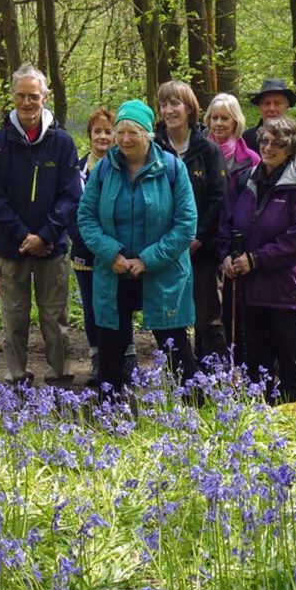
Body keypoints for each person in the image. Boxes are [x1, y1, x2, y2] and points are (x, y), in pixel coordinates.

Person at [76, 99, 200, 394]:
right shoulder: (105, 168)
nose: (125, 140)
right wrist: (111, 253)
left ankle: (196, 410)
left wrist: (146, 260)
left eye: (133, 132)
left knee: (175, 347)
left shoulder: (172, 168)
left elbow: (186, 224)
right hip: (113, 270)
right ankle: (111, 415)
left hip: (162, 271)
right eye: (120, 133)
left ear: (148, 134)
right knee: (110, 352)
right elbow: (86, 217)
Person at [0, 63, 82, 386]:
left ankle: (59, 375)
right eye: (21, 96)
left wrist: (45, 235)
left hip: (51, 248)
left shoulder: (62, 143)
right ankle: (17, 377)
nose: (27, 103)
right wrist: (24, 235)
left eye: (34, 96)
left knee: (55, 317)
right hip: (13, 248)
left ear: (45, 97)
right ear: (13, 97)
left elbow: (71, 196)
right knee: (14, 317)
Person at [219, 116, 296, 401]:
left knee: (292, 361)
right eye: (264, 140)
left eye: (278, 143)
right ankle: (260, 425)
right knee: (256, 363)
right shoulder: (244, 179)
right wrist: (228, 254)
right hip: (249, 289)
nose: (269, 147)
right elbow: (226, 222)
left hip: (286, 289)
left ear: (292, 148)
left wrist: (257, 259)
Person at [154, 81, 229, 363]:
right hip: (164, 250)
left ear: (189, 108)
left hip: (203, 250)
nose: (169, 110)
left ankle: (216, 381)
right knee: (169, 319)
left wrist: (197, 238)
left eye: (175, 103)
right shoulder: (153, 149)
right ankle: (181, 378)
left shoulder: (208, 150)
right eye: (164, 104)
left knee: (207, 319)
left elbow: (218, 199)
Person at [71, 107, 134, 385]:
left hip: (117, 253)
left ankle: (127, 357)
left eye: (109, 131)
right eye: (98, 131)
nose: (103, 137)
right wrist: (87, 242)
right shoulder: (77, 170)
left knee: (121, 303)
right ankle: (98, 358)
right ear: (90, 135)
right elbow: (72, 210)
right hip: (85, 253)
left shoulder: (126, 166)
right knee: (92, 306)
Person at [204, 92, 260, 359]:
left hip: (236, 245)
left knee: (235, 310)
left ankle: (239, 364)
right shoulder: (198, 153)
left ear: (236, 121)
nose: (218, 123)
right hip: (203, 241)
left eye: (224, 118)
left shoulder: (251, 160)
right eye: (214, 117)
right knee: (207, 312)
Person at [241, 79, 296, 165]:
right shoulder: (246, 139)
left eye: (277, 103)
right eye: (267, 103)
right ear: (260, 107)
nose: (272, 109)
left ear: (287, 107)